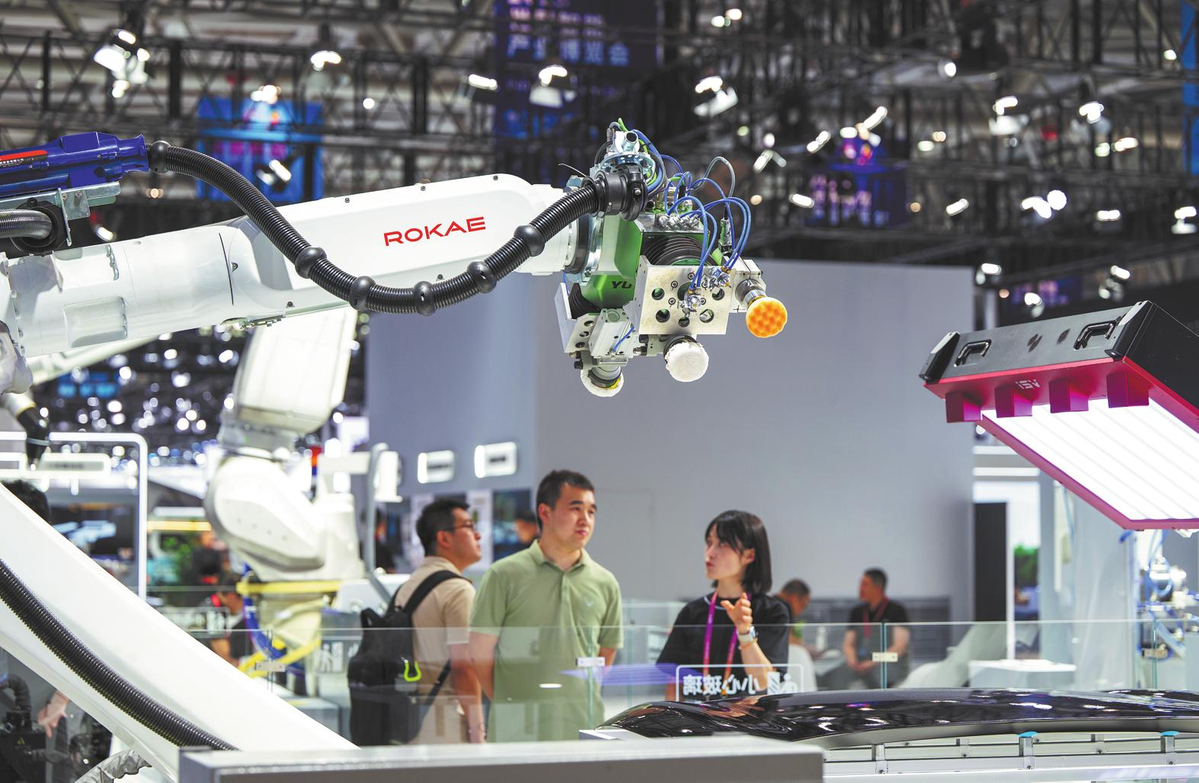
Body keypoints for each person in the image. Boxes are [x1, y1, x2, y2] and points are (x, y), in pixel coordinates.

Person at [469, 470, 622, 742]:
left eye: (591, 511)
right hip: (516, 732)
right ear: (545, 512)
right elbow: (480, 652)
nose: (585, 519)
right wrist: (509, 702)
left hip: (582, 727)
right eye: (575, 508)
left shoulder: (605, 581)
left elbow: (607, 652)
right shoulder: (504, 575)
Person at [657, 511, 790, 701]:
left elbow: (764, 681)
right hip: (698, 717)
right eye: (709, 542)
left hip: (749, 717)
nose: (710, 553)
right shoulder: (692, 612)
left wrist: (744, 632)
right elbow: (674, 679)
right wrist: (671, 716)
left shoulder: (772, 612)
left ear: (749, 555)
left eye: (723, 544)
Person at [393, 498, 485, 744]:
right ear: (444, 538)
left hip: (406, 721)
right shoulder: (457, 590)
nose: (478, 535)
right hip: (444, 725)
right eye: (469, 526)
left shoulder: (408, 586)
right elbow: (463, 667)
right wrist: (477, 730)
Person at [827, 568, 911, 689]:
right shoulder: (857, 612)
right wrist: (852, 660)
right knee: (836, 676)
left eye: (865, 584)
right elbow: (848, 643)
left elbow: (899, 647)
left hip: (885, 664)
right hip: (860, 664)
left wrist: (872, 663)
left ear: (878, 588)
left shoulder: (896, 610)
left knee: (880, 677)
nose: (860, 588)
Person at [206, 572, 251, 666]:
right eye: (245, 600)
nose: (244, 605)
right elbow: (225, 655)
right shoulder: (213, 611)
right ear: (232, 596)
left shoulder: (215, 605)